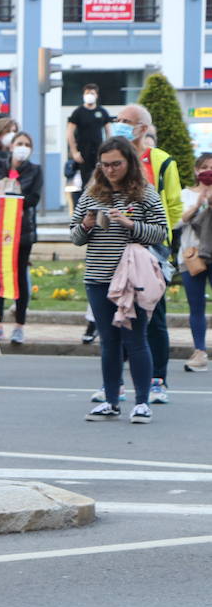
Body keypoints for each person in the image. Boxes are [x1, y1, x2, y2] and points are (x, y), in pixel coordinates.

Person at [71, 137, 168, 424]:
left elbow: (161, 233)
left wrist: (130, 224)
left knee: (136, 340)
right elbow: (75, 237)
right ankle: (111, 401)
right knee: (109, 343)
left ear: (129, 163)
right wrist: (87, 224)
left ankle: (141, 403)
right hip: (99, 278)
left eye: (117, 164)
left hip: (132, 279)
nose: (111, 170)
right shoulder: (90, 194)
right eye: (105, 165)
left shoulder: (145, 194)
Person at [112, 103, 181, 404]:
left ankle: (158, 380)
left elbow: (175, 206)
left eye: (126, 121)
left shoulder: (162, 162)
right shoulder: (113, 159)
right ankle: (118, 382)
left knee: (155, 316)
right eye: (118, 119)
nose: (120, 124)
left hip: (152, 247)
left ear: (142, 128)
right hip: (118, 246)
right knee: (119, 314)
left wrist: (158, 235)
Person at [0, 130, 44, 344]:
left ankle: (19, 325)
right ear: (11, 145)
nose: (22, 147)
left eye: (27, 144)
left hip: (21, 231)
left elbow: (32, 199)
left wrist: (7, 196)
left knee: (19, 277)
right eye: (19, 143)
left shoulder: (35, 171)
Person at [179, 152, 212, 372]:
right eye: (204, 167)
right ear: (195, 170)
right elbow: (176, 221)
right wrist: (198, 204)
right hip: (192, 255)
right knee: (196, 305)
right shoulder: (185, 194)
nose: (207, 171)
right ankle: (199, 350)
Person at [67, 84, 114, 191]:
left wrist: (109, 150)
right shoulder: (78, 112)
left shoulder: (102, 112)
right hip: (83, 152)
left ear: (96, 95)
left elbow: (108, 132)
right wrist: (74, 152)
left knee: (101, 179)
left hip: (99, 151)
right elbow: (69, 133)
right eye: (87, 93)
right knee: (85, 181)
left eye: (92, 93)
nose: (89, 95)